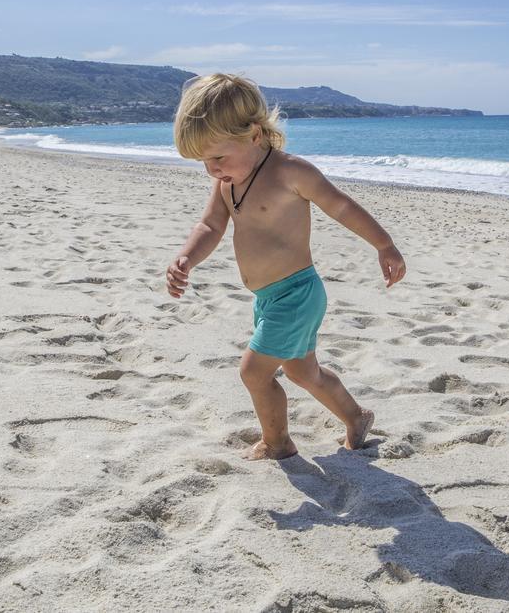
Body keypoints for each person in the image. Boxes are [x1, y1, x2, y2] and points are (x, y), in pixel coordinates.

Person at [167, 74, 407, 460]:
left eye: (218, 157)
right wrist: (187, 257)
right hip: (267, 297)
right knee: (302, 372)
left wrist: (384, 244)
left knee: (254, 372)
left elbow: (341, 206)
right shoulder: (227, 182)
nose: (212, 169)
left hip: (297, 293)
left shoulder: (291, 173)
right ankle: (356, 417)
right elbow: (210, 225)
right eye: (204, 162)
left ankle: (278, 444)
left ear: (255, 135)